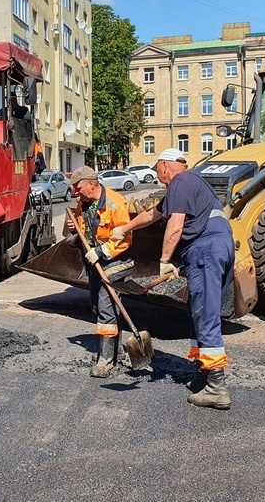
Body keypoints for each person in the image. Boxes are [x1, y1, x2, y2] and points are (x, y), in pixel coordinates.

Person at [112, 148, 234, 409]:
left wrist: (165, 261)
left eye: (157, 170)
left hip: (206, 251)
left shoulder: (180, 181)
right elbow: (152, 215)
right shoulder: (191, 185)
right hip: (217, 249)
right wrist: (124, 228)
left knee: (205, 315)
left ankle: (216, 387)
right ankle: (203, 374)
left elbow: (175, 225)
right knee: (197, 311)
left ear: (166, 166)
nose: (158, 176)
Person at [65, 165, 134, 378]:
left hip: (117, 261)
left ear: (92, 184)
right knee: (99, 306)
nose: (76, 192)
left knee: (105, 305)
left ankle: (105, 361)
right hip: (94, 263)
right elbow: (81, 229)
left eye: (79, 187)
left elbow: (125, 239)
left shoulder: (115, 202)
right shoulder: (83, 203)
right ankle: (117, 352)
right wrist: (73, 227)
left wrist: (101, 252)